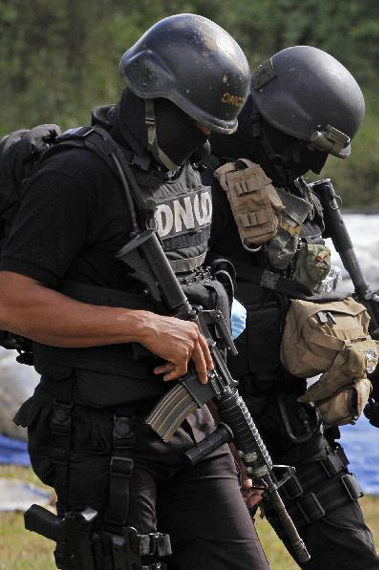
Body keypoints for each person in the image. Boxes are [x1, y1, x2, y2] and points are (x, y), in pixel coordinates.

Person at [0, 14, 270, 569]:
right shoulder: (77, 174)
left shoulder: (190, 168)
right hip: (103, 438)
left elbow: (195, 304)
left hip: (190, 424)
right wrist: (141, 326)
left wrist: (233, 430)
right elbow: (12, 299)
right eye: (193, 121)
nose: (203, 136)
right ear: (151, 97)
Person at [205, 46, 379, 569]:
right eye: (309, 146)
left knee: (351, 559)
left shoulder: (295, 195)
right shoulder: (200, 178)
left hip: (289, 415)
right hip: (212, 414)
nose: (313, 162)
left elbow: (305, 295)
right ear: (275, 122)